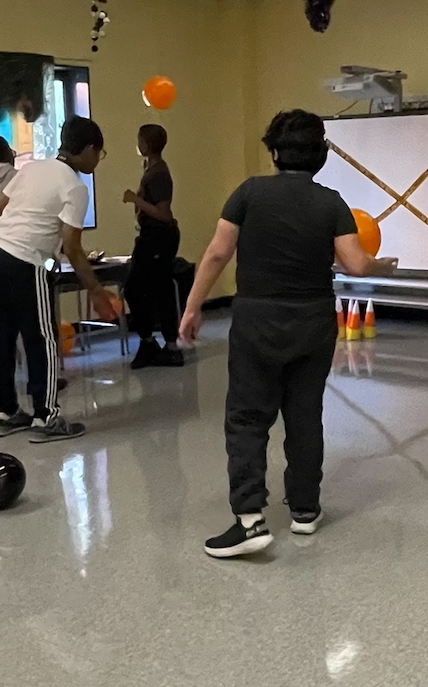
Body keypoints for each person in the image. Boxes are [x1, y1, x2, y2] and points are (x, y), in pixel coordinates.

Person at [179, 108, 374, 558]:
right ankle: (305, 510)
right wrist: (382, 264)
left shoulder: (249, 193)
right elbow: (356, 265)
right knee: (304, 414)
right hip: (313, 322)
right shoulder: (331, 202)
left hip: (256, 321)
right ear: (321, 155)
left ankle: (249, 521)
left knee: (248, 418)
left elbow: (215, 254)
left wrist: (192, 307)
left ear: (273, 152)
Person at [0, 115, 117, 445]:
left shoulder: (31, 168)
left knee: (1, 335)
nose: (98, 159)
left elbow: (0, 206)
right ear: (86, 149)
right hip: (24, 262)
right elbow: (72, 246)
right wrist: (96, 291)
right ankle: (46, 417)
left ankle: (6, 413)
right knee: (41, 338)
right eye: (99, 152)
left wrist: (30, 217)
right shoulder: (74, 185)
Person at [122, 123, 183, 370]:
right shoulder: (151, 168)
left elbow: (164, 213)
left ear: (146, 143)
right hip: (150, 237)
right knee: (145, 288)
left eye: (140, 140)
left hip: (159, 238)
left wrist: (134, 199)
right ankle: (152, 342)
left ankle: (167, 346)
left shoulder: (159, 173)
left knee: (148, 288)